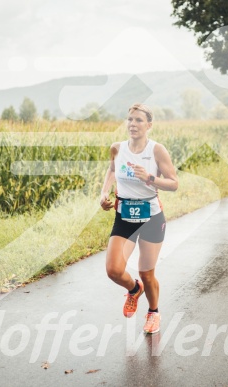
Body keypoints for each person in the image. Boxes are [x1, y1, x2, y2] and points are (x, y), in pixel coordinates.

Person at [100, 103, 179, 334]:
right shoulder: (117, 148)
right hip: (124, 216)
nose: (133, 124)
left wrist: (150, 178)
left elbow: (174, 183)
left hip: (151, 218)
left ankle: (153, 312)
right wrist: (104, 193)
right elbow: (112, 170)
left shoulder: (157, 151)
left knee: (147, 271)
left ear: (149, 125)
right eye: (130, 120)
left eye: (139, 120)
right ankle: (135, 289)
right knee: (114, 270)